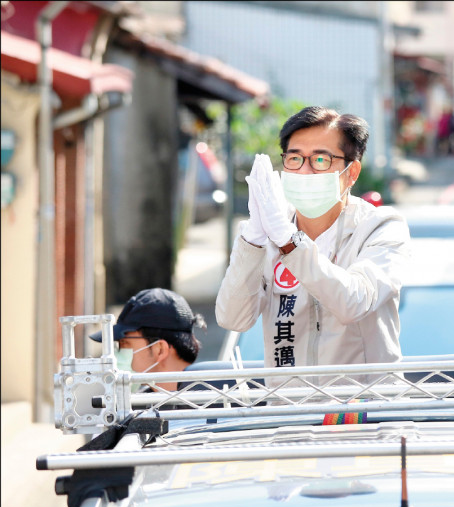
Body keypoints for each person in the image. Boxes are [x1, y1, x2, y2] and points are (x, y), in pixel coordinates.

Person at [216, 106, 410, 375]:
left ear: (351, 172)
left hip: (364, 410)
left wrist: (289, 242)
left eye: (320, 160)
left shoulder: (380, 227)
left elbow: (353, 302)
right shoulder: (269, 230)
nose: (304, 172)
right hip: (289, 410)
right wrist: (253, 240)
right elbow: (232, 318)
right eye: (294, 159)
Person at [89, 288, 206, 391]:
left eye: (125, 344)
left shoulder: (214, 404)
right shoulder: (136, 406)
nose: (114, 355)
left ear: (160, 349)